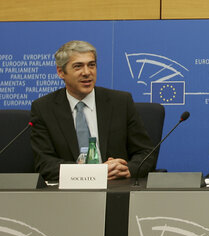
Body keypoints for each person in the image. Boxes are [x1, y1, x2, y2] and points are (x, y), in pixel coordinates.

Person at [30, 40, 154, 181]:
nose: (87, 72)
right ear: (61, 72)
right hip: (68, 192)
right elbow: (44, 163)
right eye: (78, 66)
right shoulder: (44, 108)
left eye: (91, 65)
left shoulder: (120, 102)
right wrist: (94, 173)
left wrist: (127, 170)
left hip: (115, 187)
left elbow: (146, 153)